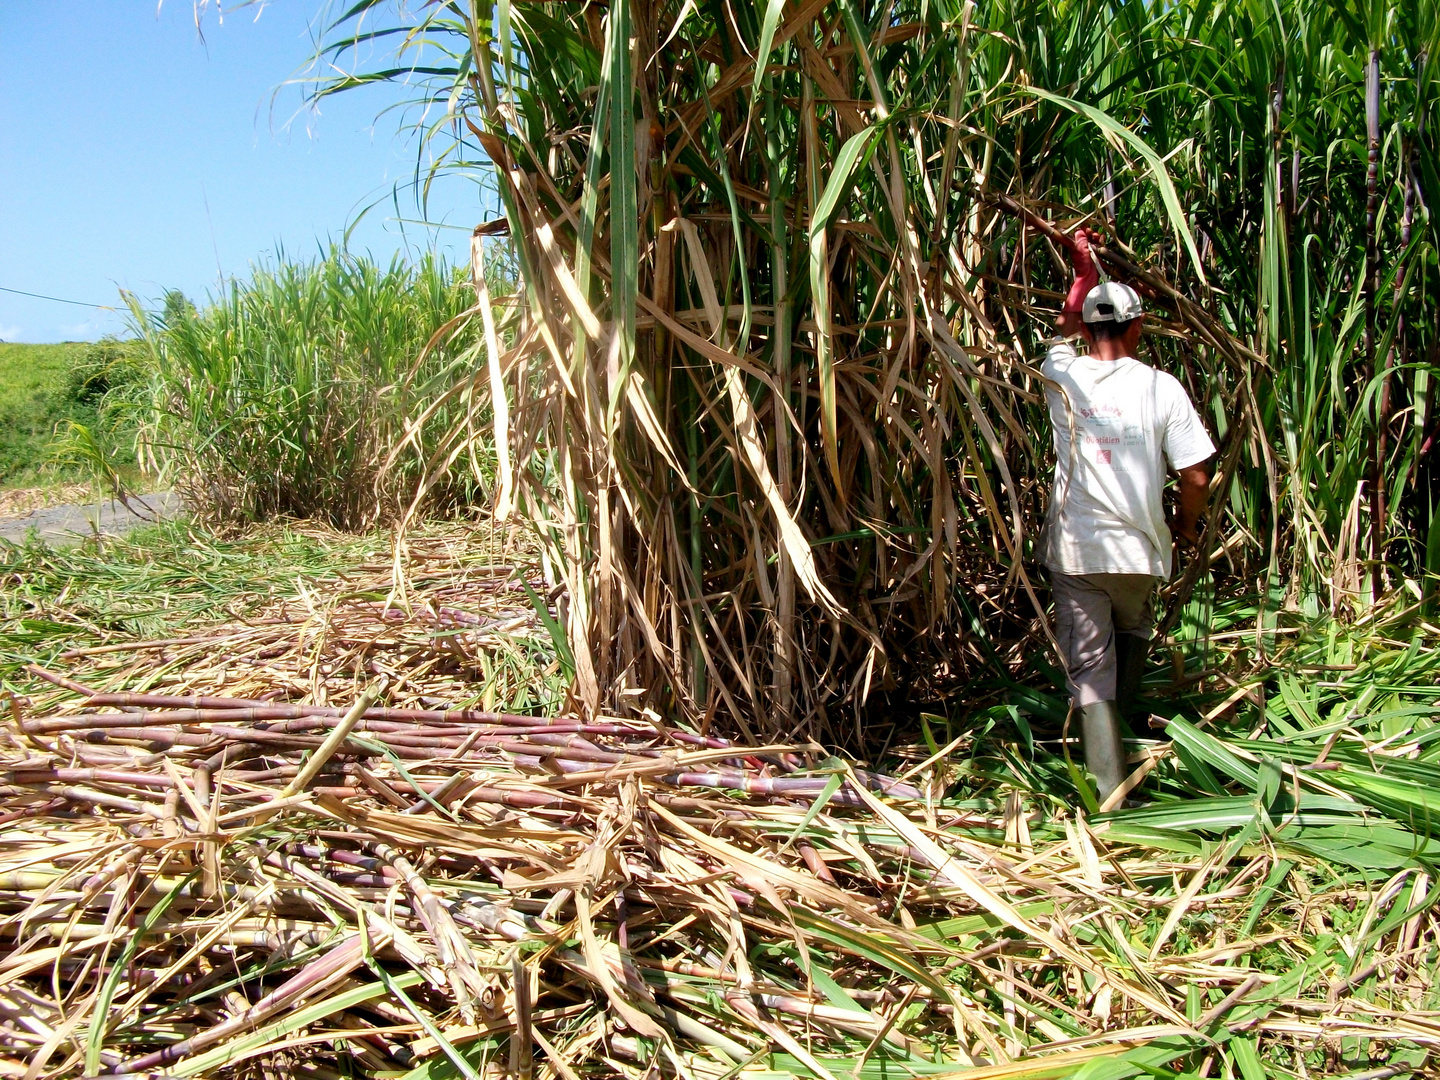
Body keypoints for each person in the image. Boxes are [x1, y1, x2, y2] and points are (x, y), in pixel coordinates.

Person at [1041, 227, 1216, 804]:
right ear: (1139, 327)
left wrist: (1081, 267)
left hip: (1078, 551)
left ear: (1089, 330)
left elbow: (1064, 328)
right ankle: (1124, 751)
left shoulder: (1060, 374)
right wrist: (1187, 527)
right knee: (1130, 635)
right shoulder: (1163, 389)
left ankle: (1110, 787)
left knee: (1091, 670)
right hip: (1140, 552)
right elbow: (1195, 474)